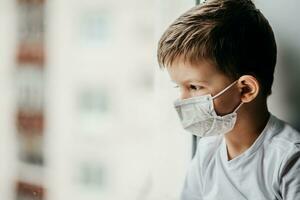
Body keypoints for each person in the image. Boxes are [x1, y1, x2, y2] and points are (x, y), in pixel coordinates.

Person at [156, 0, 300, 199]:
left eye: (194, 87)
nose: (182, 99)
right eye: (178, 87)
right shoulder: (207, 150)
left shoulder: (289, 158)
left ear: (246, 89)